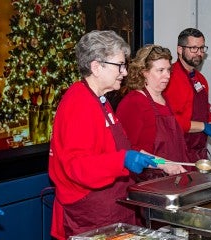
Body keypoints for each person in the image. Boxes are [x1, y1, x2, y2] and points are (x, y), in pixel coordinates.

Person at [48, 30, 158, 240]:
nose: (124, 72)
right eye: (119, 65)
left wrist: (156, 162)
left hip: (112, 203)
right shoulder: (79, 102)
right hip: (91, 212)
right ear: (96, 67)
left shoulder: (100, 99)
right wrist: (122, 160)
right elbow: (78, 167)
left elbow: (115, 146)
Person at [116, 44, 189, 179]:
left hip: (172, 178)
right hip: (147, 180)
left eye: (168, 70)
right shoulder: (134, 102)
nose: (167, 76)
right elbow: (128, 149)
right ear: (144, 72)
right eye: (160, 70)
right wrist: (164, 163)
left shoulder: (164, 99)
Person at [164, 28, 211, 162]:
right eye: (193, 48)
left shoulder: (201, 79)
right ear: (180, 49)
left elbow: (205, 110)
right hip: (177, 153)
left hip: (198, 153)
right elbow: (171, 122)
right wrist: (204, 127)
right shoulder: (168, 78)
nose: (199, 53)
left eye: (202, 48)